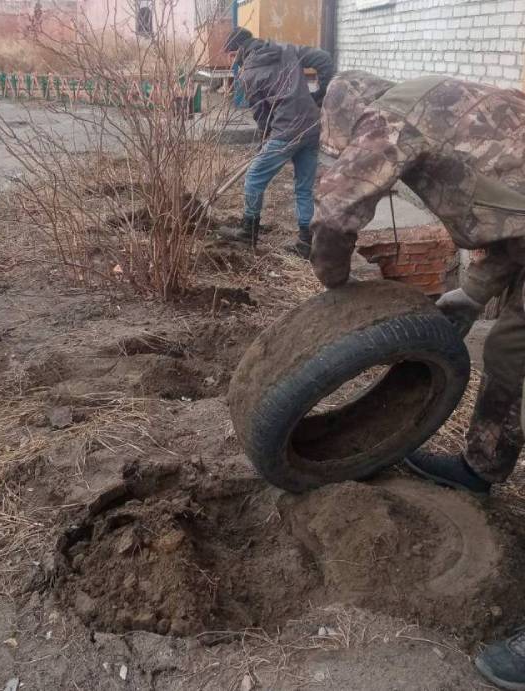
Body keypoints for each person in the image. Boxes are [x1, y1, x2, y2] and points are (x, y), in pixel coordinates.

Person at [310, 70, 525, 690]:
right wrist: (472, 294)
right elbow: (513, 226)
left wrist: (335, 285)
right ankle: (482, 465)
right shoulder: (444, 110)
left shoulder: (390, 117)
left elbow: (337, 209)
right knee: (509, 349)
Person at [217, 28, 333, 259]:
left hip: (285, 131)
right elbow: (324, 58)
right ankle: (306, 242)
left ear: (237, 51)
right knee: (304, 187)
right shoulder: (285, 49)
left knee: (254, 178)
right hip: (311, 128)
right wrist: (320, 95)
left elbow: (262, 115)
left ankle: (248, 232)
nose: (231, 62)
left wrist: (264, 140)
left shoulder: (249, 73)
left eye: (230, 56)